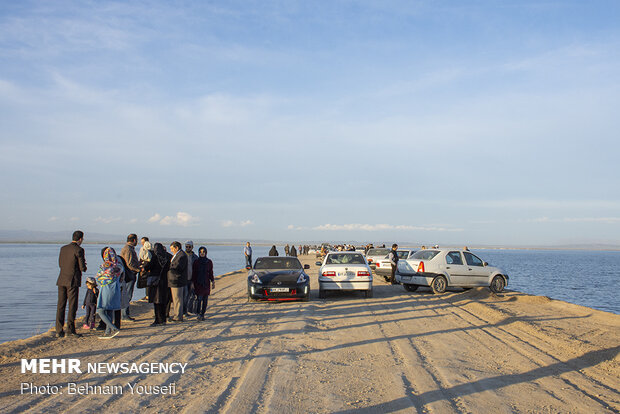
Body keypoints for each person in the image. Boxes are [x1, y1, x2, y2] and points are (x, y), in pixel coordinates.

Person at [55, 230, 87, 338]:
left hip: (61, 279)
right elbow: (82, 268)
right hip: (73, 281)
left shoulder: (63, 248)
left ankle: (59, 330)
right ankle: (70, 329)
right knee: (72, 306)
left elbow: (60, 264)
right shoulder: (79, 250)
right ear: (80, 239)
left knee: (61, 305)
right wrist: (84, 266)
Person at [95, 247, 122, 338]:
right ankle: (107, 332)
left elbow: (98, 278)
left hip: (106, 289)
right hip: (115, 289)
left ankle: (113, 328)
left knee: (100, 310)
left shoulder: (105, 266)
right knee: (109, 310)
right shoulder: (118, 266)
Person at [146, 243, 170, 326]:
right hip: (164, 281)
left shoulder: (155, 257)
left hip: (155, 282)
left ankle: (157, 320)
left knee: (156, 302)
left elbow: (148, 267)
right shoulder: (166, 257)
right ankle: (163, 320)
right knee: (163, 301)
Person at [120, 233, 140, 321]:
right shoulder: (128, 249)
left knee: (127, 294)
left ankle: (125, 314)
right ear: (134, 240)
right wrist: (138, 270)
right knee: (127, 295)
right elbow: (129, 263)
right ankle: (124, 315)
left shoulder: (128, 248)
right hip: (129, 275)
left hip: (128, 274)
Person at [192, 246, 215, 321]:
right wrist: (192, 283)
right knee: (199, 299)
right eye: (200, 252)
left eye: (203, 252)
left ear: (206, 253)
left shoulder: (209, 262)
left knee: (205, 301)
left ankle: (202, 314)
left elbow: (211, 272)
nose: (202, 253)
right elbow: (194, 273)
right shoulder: (196, 262)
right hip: (198, 283)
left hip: (206, 283)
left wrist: (213, 281)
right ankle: (198, 313)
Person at [168, 241, 187, 322]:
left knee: (178, 299)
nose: (171, 250)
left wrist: (170, 266)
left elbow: (179, 267)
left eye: (172, 249)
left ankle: (178, 316)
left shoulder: (182, 255)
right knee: (176, 299)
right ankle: (177, 314)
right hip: (174, 280)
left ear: (176, 248)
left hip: (177, 280)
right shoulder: (178, 255)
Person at [183, 241, 198, 317]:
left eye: (189, 247)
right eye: (186, 246)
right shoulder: (182, 256)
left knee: (192, 296)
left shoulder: (195, 257)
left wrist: (194, 281)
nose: (188, 248)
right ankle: (184, 311)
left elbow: (197, 270)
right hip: (184, 280)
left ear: (192, 247)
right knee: (184, 296)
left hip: (192, 279)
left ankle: (190, 310)